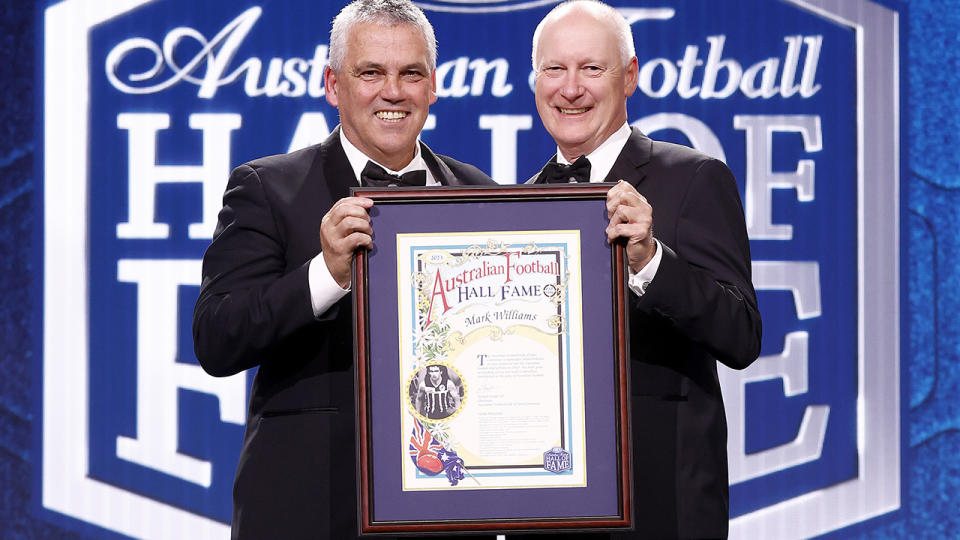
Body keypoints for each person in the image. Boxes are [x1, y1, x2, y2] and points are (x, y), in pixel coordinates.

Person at [191, 0, 494, 538]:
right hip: (309, 506)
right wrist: (325, 275)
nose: (393, 91)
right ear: (334, 85)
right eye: (370, 72)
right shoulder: (268, 189)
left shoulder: (480, 195)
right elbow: (217, 338)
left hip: (449, 508)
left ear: (432, 87)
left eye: (410, 74)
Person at [524, 1, 763, 538]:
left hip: (662, 504)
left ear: (629, 76)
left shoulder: (694, 179)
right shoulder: (522, 205)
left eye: (592, 68)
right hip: (548, 506)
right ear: (535, 81)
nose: (571, 88)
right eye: (555, 69)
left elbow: (742, 335)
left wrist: (651, 262)